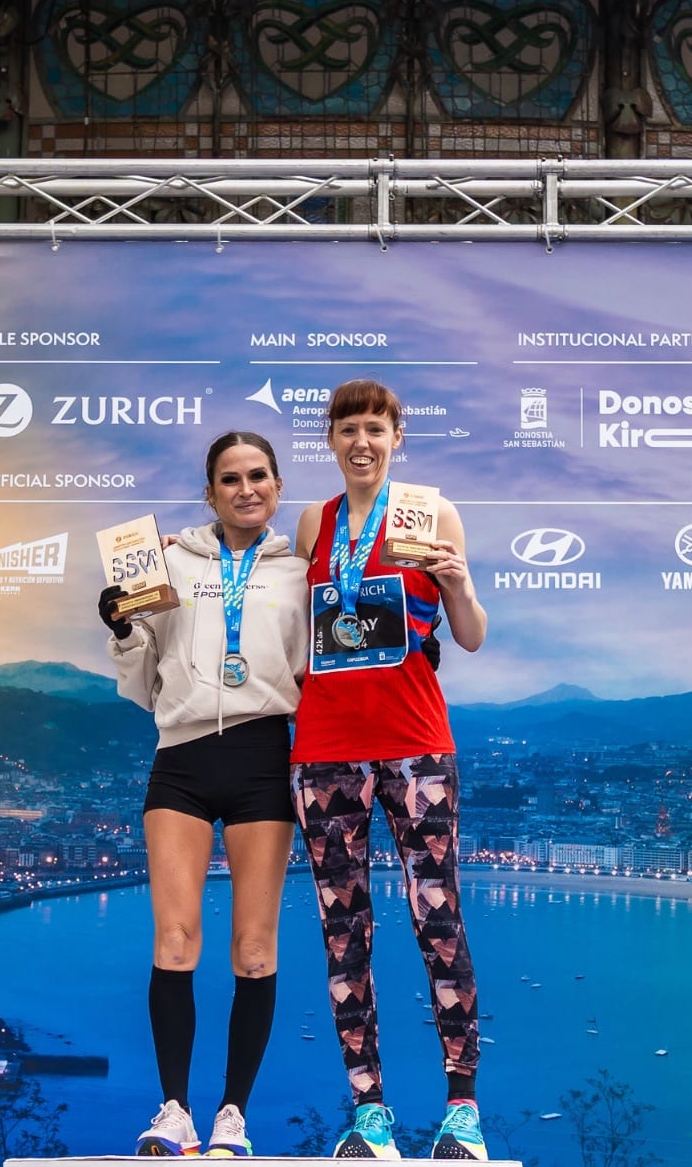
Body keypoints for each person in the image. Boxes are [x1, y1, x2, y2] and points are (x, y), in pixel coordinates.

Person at [289, 378, 488, 1162]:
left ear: (396, 437)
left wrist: (459, 583)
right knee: (345, 934)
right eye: (348, 429)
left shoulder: (431, 513)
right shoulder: (315, 521)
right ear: (331, 441)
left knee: (439, 922)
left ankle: (462, 1112)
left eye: (376, 428)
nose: (362, 441)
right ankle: (370, 1114)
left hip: (416, 741)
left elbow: (468, 635)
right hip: (325, 746)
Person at [97, 431, 308, 1159]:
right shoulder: (169, 562)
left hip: (262, 760)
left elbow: (329, 669)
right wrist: (121, 627)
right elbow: (139, 673)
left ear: (277, 485)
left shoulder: (301, 573)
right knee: (175, 940)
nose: (245, 488)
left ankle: (231, 1118)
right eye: (229, 478)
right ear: (209, 492)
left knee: (254, 951)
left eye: (258, 476)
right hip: (180, 758)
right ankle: (176, 1110)